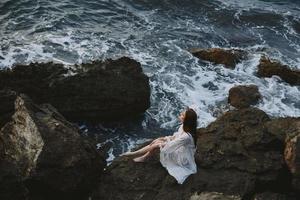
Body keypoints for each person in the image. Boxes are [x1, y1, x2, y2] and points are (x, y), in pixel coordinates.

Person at [121, 107, 198, 184]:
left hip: (183, 157)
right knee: (158, 141)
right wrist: (163, 138)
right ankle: (141, 156)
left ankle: (136, 154)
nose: (180, 115)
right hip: (180, 148)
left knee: (156, 144)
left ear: (187, 120)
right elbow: (175, 137)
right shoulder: (184, 127)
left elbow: (172, 144)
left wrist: (159, 144)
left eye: (182, 115)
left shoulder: (186, 136)